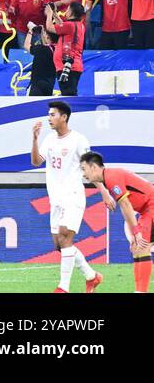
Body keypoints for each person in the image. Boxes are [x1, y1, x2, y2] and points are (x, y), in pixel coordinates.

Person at [31, 100, 101, 293]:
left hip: (73, 194)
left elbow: (91, 168)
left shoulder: (79, 140)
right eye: (49, 114)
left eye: (53, 114)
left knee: (64, 236)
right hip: (55, 197)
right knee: (59, 244)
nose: (49, 118)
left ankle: (63, 287)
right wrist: (35, 139)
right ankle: (91, 276)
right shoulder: (49, 140)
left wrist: (104, 192)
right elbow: (36, 162)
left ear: (64, 117)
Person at [79, 151, 151, 294]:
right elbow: (126, 206)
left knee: (141, 248)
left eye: (84, 169)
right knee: (138, 248)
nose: (83, 174)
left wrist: (136, 232)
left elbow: (125, 205)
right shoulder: (109, 177)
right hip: (147, 209)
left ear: (93, 167)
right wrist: (134, 234)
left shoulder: (112, 177)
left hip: (151, 206)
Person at [43, 1, 85, 96]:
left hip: (67, 66)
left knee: (68, 95)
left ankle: (71, 111)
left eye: (68, 9)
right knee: (70, 93)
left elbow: (49, 27)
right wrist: (54, 14)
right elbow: (62, 26)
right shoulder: (78, 25)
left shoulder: (70, 26)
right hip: (73, 65)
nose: (66, 11)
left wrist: (49, 14)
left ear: (71, 12)